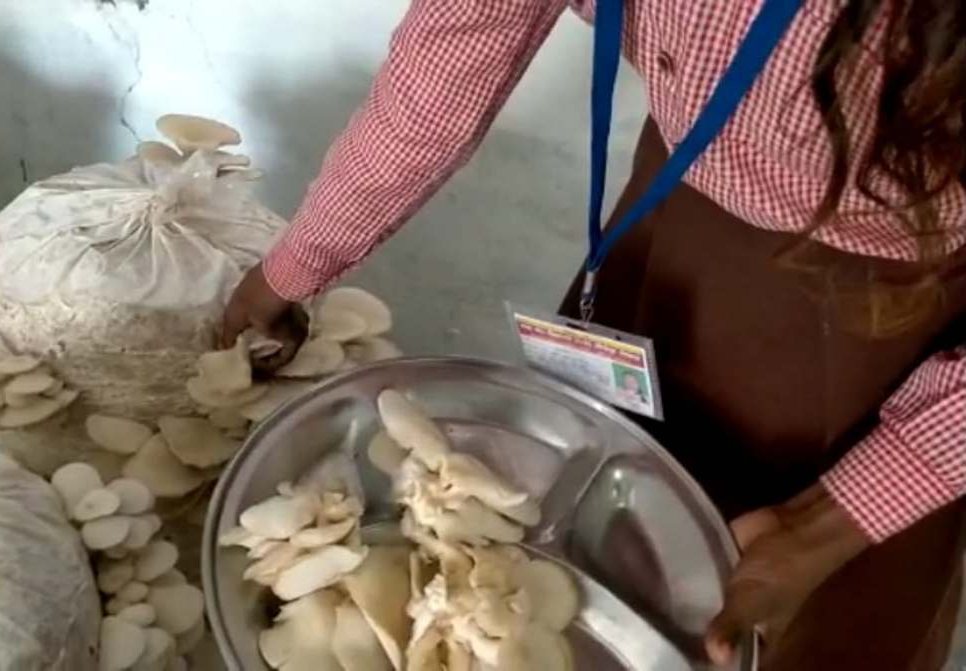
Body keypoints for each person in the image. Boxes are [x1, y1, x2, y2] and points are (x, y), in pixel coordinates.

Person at [222, 2, 966, 668]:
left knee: (815, 623)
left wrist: (825, 525)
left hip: (884, 312)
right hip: (670, 205)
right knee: (593, 527)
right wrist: (294, 265)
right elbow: (461, 40)